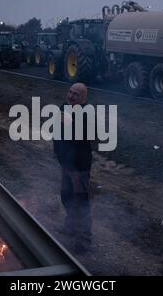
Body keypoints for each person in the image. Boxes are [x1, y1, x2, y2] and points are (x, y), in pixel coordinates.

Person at [53, 83, 93, 252]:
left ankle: (84, 239)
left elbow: (82, 136)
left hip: (79, 166)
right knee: (66, 196)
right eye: (70, 92)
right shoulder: (64, 107)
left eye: (75, 94)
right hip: (66, 163)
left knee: (80, 201)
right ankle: (70, 227)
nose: (70, 96)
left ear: (83, 97)